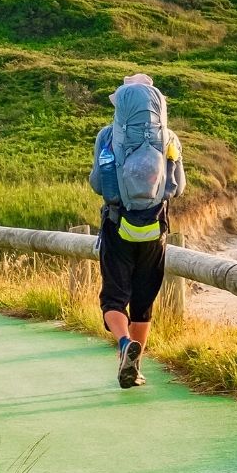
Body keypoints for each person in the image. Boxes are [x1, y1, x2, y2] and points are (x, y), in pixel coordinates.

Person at [88, 74, 186, 388]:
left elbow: (97, 184)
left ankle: (122, 345)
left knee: (114, 300)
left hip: (118, 227)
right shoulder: (169, 138)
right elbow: (178, 187)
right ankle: (136, 365)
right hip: (155, 230)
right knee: (143, 302)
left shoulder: (106, 136)